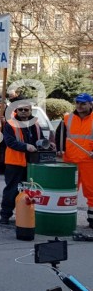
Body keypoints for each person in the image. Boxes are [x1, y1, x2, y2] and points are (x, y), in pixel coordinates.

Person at [0, 103, 42, 225]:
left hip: (31, 163)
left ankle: (26, 215)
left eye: (26, 110)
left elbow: (40, 139)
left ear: (30, 111)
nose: (23, 111)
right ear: (16, 111)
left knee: (30, 191)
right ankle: (5, 215)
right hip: (15, 163)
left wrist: (48, 144)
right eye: (20, 109)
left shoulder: (35, 124)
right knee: (12, 190)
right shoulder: (10, 124)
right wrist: (26, 146)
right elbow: (9, 142)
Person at [55, 93, 93, 229]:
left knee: (91, 191)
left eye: (83, 103)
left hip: (89, 162)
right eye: (77, 103)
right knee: (68, 191)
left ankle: (92, 219)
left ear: (90, 104)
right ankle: (65, 217)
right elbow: (59, 136)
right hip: (70, 162)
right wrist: (60, 149)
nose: (79, 106)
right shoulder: (67, 119)